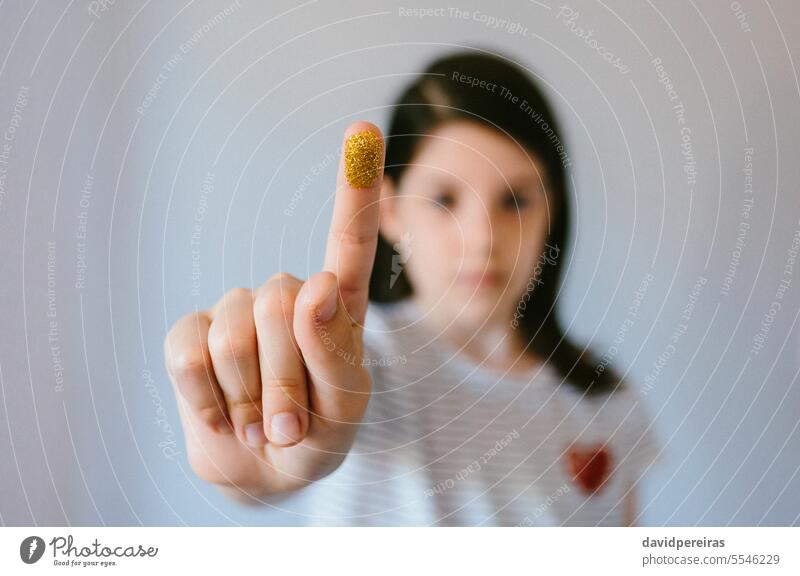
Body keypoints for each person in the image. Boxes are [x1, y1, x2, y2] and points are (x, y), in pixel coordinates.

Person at [163, 50, 665, 526]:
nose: (482, 238)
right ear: (391, 211)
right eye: (444, 199)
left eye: (515, 200)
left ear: (551, 212)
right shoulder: (356, 364)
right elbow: (311, 430)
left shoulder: (608, 400)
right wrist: (272, 452)